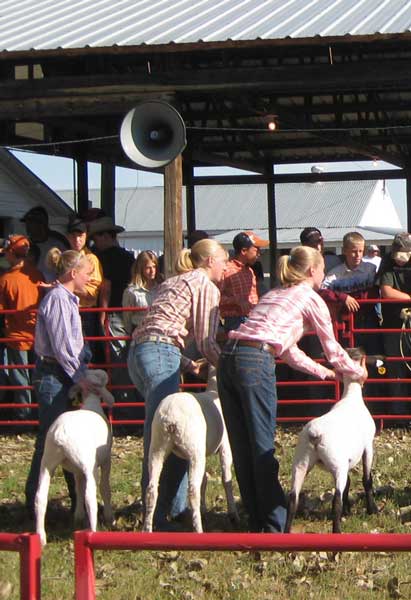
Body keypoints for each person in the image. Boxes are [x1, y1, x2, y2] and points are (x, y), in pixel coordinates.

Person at [217, 245, 367, 534]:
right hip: (254, 360)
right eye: (323, 269)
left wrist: (324, 373)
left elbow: (288, 351)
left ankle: (256, 519)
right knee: (261, 445)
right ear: (313, 271)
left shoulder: (273, 294)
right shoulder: (311, 298)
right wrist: (355, 371)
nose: (324, 274)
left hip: (229, 357)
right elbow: (333, 348)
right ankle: (274, 525)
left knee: (242, 444)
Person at [127, 239, 227, 530]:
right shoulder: (206, 287)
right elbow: (207, 341)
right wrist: (228, 367)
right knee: (167, 431)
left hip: (140, 353)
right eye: (222, 259)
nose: (225, 265)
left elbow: (160, 325)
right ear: (209, 261)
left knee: (167, 428)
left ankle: (175, 507)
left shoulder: (176, 281)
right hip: (160, 351)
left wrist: (185, 363)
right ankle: (160, 516)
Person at [25, 248, 96, 518]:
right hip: (56, 376)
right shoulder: (58, 299)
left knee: (70, 435)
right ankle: (35, 501)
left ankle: (77, 501)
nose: (90, 278)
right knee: (51, 436)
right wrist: (80, 377)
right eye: (87, 273)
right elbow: (62, 345)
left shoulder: (68, 300)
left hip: (65, 375)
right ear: (73, 273)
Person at [88, 216, 135, 402]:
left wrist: (103, 314)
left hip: (114, 313)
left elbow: (106, 287)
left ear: (105, 236)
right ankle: (128, 404)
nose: (95, 242)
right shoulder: (128, 256)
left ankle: (123, 405)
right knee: (125, 357)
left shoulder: (104, 258)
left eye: (96, 237)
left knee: (116, 358)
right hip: (129, 311)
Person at [0, 235, 44, 420]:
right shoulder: (35, 275)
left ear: (11, 254)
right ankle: (40, 416)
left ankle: (23, 417)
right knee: (38, 376)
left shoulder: (6, 279)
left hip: (15, 336)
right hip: (37, 335)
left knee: (19, 379)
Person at [320, 232, 381, 354]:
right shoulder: (335, 274)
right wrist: (343, 297)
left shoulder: (370, 269)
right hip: (346, 321)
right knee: (350, 353)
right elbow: (322, 292)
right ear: (344, 251)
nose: (357, 255)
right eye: (354, 251)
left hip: (369, 317)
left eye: (360, 251)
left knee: (374, 354)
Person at [375, 232, 411, 417]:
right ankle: (399, 416)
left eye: (404, 252)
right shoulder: (387, 262)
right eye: (397, 252)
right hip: (394, 325)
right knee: (396, 369)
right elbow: (387, 291)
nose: (400, 257)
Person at [66, 214, 104, 363]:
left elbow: (93, 293)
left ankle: (87, 382)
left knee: (86, 352)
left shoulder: (91, 259)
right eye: (73, 236)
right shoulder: (65, 258)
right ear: (68, 237)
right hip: (67, 310)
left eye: (80, 235)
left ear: (86, 236)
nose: (77, 240)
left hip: (85, 313)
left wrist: (66, 286)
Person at [219, 230, 268, 332]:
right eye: (256, 250)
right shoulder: (226, 270)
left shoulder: (249, 271)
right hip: (235, 320)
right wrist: (236, 300)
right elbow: (216, 297)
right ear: (244, 251)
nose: (259, 254)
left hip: (251, 317)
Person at [20, 205, 69, 282]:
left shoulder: (57, 243)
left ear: (42, 224)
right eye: (27, 223)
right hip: (31, 287)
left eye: (31, 223)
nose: (27, 226)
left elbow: (67, 267)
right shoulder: (24, 245)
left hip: (53, 288)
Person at [122, 251, 162, 335]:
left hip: (158, 331)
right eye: (148, 268)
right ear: (140, 269)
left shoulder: (162, 287)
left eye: (154, 267)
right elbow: (127, 317)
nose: (152, 271)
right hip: (139, 332)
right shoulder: (131, 291)